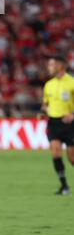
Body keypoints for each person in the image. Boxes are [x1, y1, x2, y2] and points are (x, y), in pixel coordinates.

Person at [40, 56, 74, 195]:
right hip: (53, 123)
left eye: (52, 64)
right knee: (55, 153)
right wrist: (43, 111)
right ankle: (64, 186)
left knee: (72, 158)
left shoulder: (71, 82)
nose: (50, 67)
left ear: (61, 65)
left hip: (70, 124)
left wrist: (72, 114)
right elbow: (45, 104)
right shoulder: (49, 84)